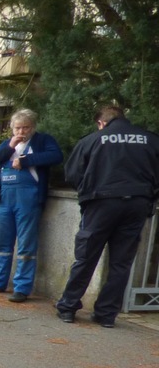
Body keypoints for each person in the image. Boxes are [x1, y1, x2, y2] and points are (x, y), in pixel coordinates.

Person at [55, 104, 159, 327]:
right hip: (137, 205)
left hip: (101, 203)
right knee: (121, 263)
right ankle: (106, 315)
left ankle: (68, 308)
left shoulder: (93, 140)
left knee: (86, 257)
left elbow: (72, 174)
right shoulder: (150, 140)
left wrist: (88, 192)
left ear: (101, 123)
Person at [0, 108, 63, 302]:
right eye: (17, 128)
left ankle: (22, 287)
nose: (21, 132)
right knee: (2, 243)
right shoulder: (8, 143)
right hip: (6, 200)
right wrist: (9, 148)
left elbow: (56, 156)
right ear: (12, 128)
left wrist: (26, 161)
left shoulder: (42, 141)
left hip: (28, 200)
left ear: (33, 127)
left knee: (26, 245)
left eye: (25, 128)